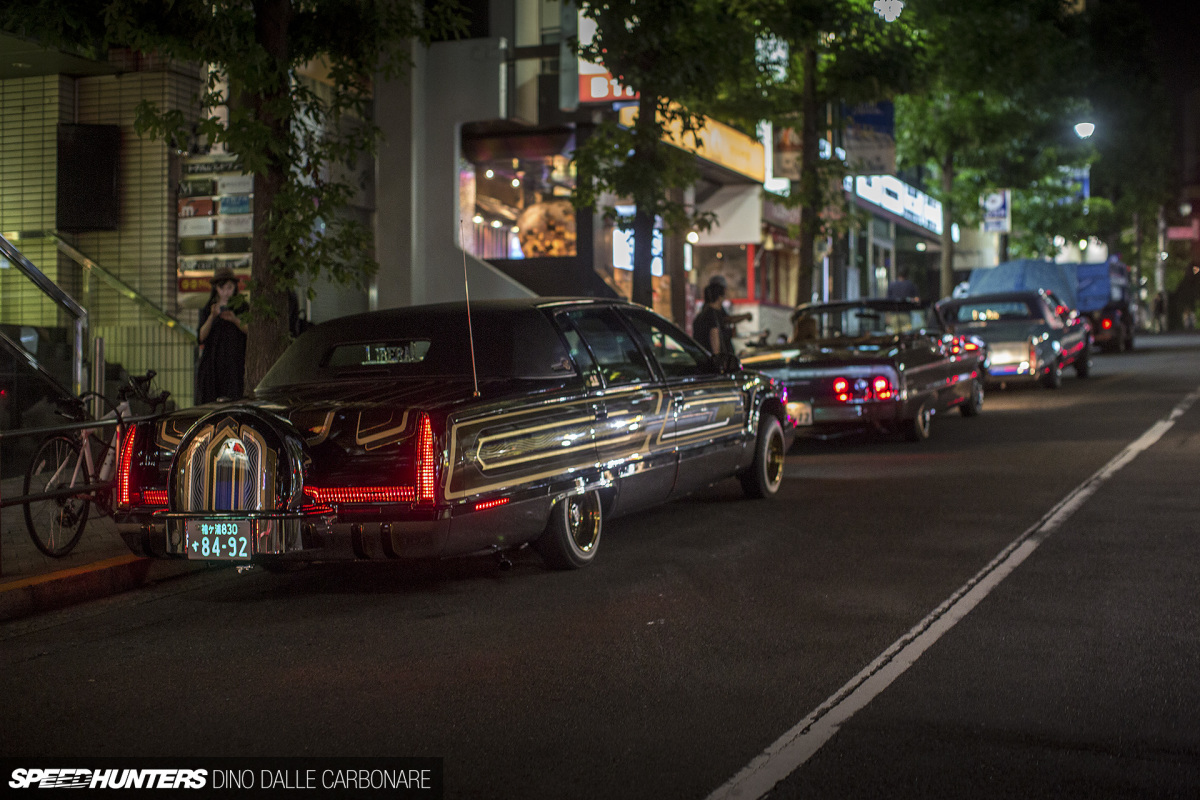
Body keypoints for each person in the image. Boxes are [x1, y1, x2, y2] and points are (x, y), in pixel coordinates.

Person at [195, 266, 248, 404]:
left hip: (235, 364)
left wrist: (235, 319)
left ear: (235, 287)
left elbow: (250, 331)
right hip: (212, 366)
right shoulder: (209, 307)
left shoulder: (242, 306)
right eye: (222, 288)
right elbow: (200, 336)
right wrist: (212, 316)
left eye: (229, 287)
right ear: (216, 289)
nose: (226, 292)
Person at [692, 282, 731, 355]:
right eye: (724, 296)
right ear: (719, 298)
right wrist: (718, 361)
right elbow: (715, 344)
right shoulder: (713, 316)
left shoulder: (702, 314)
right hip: (710, 361)